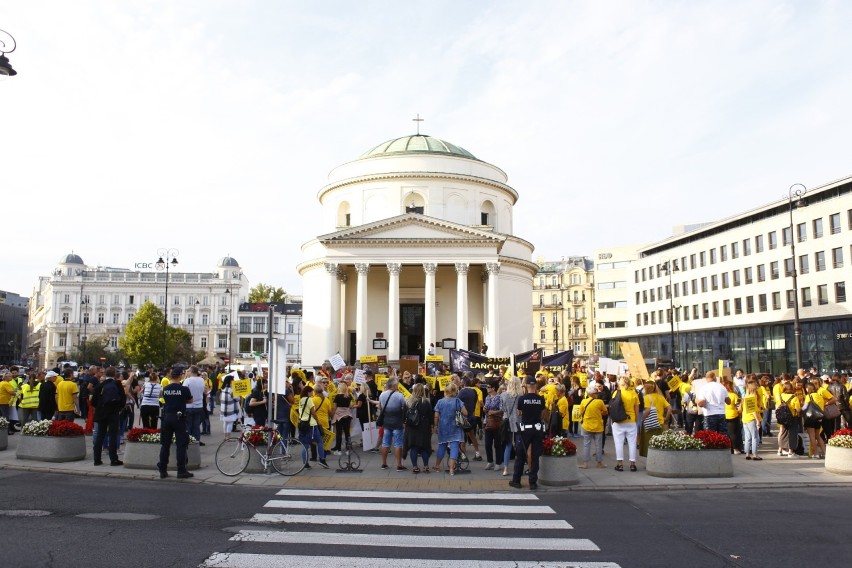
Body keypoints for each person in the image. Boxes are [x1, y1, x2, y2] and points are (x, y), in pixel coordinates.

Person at [510, 377, 547, 490]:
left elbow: (519, 412)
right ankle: (533, 482)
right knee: (535, 456)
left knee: (520, 455)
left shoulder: (522, 399)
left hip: (525, 430)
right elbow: (542, 414)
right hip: (537, 429)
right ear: (535, 386)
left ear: (526, 386)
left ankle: (516, 481)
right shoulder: (540, 399)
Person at [158, 366, 194, 479]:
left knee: (165, 445)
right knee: (181, 445)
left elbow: (163, 398)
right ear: (180, 376)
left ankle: (163, 470)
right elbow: (190, 400)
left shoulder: (166, 388)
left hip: (167, 417)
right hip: (179, 418)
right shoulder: (183, 389)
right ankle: (181, 470)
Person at [91, 367, 124, 467]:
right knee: (113, 435)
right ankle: (113, 459)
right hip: (113, 413)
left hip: (101, 413)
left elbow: (93, 402)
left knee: (100, 435)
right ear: (115, 374)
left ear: (105, 374)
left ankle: (97, 459)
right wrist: (118, 409)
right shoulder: (117, 384)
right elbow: (123, 399)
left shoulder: (100, 385)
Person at [433, 383, 466, 475]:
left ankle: (437, 465)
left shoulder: (440, 402)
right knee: (454, 447)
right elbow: (465, 413)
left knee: (442, 446)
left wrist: (435, 426)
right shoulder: (458, 401)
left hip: (443, 427)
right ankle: (451, 469)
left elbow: (436, 416)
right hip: (455, 427)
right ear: (455, 391)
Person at [611, 376, 641, 472]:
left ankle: (620, 464)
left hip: (619, 421)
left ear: (621, 383)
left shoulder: (617, 393)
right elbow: (637, 409)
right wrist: (635, 420)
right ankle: (632, 464)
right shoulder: (633, 394)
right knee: (632, 443)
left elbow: (613, 407)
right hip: (631, 420)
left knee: (618, 443)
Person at [378, 378, 407, 471]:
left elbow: (381, 407)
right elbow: (404, 407)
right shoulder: (399, 396)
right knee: (398, 443)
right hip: (397, 422)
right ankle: (399, 464)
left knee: (385, 443)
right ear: (394, 386)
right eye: (397, 385)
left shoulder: (382, 395)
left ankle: (383, 463)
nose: (398, 386)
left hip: (386, 422)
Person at [403, 383, 433, 473]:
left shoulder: (408, 401)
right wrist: (432, 426)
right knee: (424, 447)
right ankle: (426, 466)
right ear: (423, 391)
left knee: (413, 447)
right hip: (424, 427)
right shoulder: (426, 402)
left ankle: (415, 467)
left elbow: (404, 415)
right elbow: (430, 416)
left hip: (411, 427)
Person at [297, 385, 328, 469]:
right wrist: (318, 421)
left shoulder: (301, 400)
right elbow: (313, 412)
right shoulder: (309, 400)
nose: (312, 393)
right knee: (320, 441)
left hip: (302, 423)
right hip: (311, 424)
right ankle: (322, 459)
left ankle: (305, 463)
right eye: (311, 392)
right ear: (308, 392)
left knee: (305, 445)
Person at [578, 384, 608, 469]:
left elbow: (580, 412)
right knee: (598, 445)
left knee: (586, 444)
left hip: (587, 425)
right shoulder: (600, 402)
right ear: (594, 394)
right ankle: (599, 462)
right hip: (598, 426)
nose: (598, 394)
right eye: (596, 393)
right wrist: (599, 413)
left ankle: (585, 463)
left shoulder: (584, 401)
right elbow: (605, 412)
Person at [639, 380, 670, 458]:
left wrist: (642, 418)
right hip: (660, 423)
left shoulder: (646, 397)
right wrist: (666, 417)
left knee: (648, 443)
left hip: (650, 423)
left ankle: (651, 461)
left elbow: (648, 410)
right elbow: (669, 408)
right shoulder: (661, 397)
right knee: (659, 443)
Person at [499, 377, 523, 476]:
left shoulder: (503, 395)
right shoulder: (521, 396)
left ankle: (505, 468)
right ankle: (518, 468)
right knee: (519, 445)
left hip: (507, 421)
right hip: (518, 421)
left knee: (508, 445)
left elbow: (502, 409)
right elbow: (521, 411)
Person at [482, 381, 504, 471]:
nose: (487, 388)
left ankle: (498, 462)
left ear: (493, 388)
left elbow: (502, 410)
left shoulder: (499, 397)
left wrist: (494, 412)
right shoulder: (487, 397)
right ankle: (490, 461)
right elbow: (486, 408)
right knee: (487, 443)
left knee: (497, 444)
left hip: (497, 422)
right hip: (488, 422)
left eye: (488, 386)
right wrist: (484, 409)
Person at [182, 366, 207, 446]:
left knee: (188, 426)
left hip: (189, 405)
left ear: (191, 371)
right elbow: (203, 391)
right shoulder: (202, 380)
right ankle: (196, 442)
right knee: (196, 426)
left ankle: (188, 442)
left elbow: (184, 392)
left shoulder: (187, 381)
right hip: (199, 405)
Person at [776, 381, 801, 457]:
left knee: (783, 433)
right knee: (792, 434)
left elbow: (778, 406)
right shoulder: (794, 397)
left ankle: (780, 450)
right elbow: (798, 409)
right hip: (792, 417)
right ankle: (791, 451)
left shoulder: (780, 396)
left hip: (782, 417)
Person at [741, 378, 763, 460]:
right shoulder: (753, 396)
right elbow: (753, 410)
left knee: (747, 437)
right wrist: (757, 420)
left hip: (745, 418)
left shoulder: (746, 396)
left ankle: (747, 453)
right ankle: (755, 454)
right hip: (751, 418)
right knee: (755, 437)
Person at [331, 383, 353, 455]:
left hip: (339, 415)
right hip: (347, 415)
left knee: (339, 433)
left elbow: (334, 407)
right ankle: (348, 450)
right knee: (347, 433)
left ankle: (339, 450)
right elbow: (350, 406)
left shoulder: (337, 396)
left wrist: (332, 415)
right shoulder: (349, 396)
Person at [219, 374, 243, 439]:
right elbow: (237, 398)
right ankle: (228, 437)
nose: (233, 380)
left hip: (224, 408)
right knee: (230, 423)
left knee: (225, 422)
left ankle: (225, 436)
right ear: (230, 381)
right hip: (230, 408)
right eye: (232, 379)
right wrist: (239, 395)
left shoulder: (223, 388)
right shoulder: (231, 390)